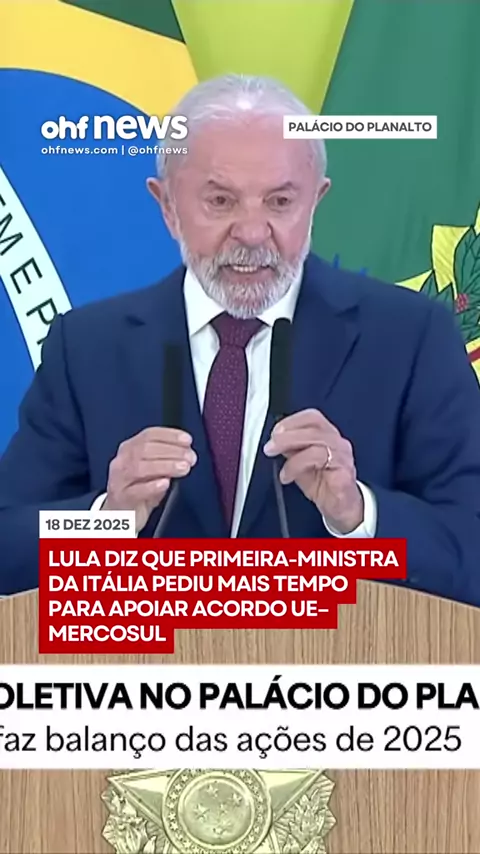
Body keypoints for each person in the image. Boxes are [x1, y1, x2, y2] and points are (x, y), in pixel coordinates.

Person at [0, 74, 480, 602]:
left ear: (316, 201)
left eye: (280, 202)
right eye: (221, 201)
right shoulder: (87, 348)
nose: (252, 233)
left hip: (342, 656)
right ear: (167, 206)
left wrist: (358, 513)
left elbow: (470, 547)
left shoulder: (410, 339)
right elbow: (9, 543)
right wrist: (104, 521)